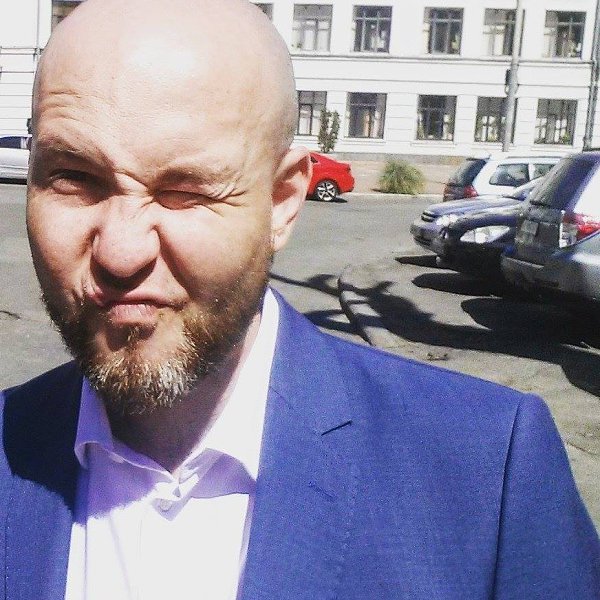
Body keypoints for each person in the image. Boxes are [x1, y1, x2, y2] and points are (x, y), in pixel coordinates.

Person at [0, 0, 598, 598]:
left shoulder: (485, 472)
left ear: (282, 202)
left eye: (186, 191)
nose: (120, 253)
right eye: (74, 178)